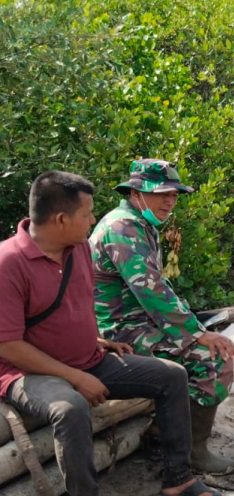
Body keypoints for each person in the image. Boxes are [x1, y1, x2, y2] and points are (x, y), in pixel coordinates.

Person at [0, 171, 220, 496]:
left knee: (172, 376)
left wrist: (96, 340)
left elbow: (79, 306)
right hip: (29, 372)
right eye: (87, 214)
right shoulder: (9, 263)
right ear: (61, 219)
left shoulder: (78, 250)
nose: (93, 221)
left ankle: (179, 478)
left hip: (87, 358)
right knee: (70, 409)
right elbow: (8, 345)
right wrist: (75, 377)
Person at [90, 160, 234, 475]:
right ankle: (192, 451)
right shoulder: (122, 227)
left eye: (174, 194)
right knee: (212, 359)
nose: (170, 201)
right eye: (161, 193)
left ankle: (162, 431)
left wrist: (193, 327)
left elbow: (157, 288)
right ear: (135, 192)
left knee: (208, 346)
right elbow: (151, 290)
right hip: (119, 332)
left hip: (139, 324)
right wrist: (196, 334)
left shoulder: (136, 223)